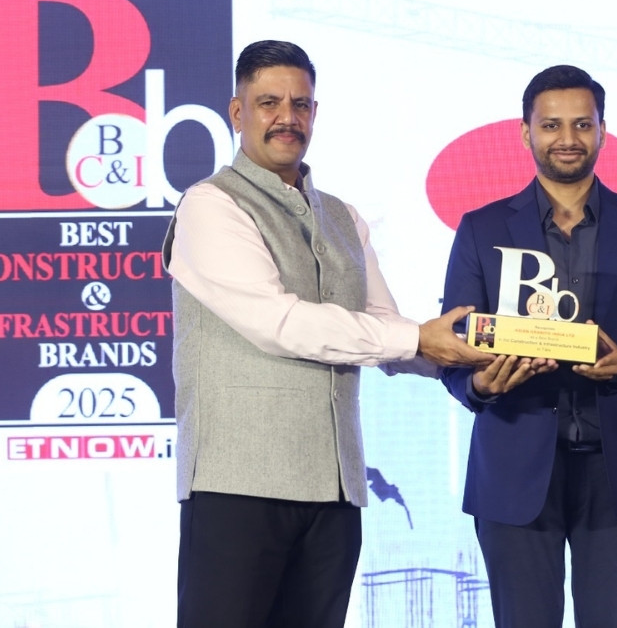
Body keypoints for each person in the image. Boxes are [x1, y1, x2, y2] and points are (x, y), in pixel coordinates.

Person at [162, 39, 492, 628]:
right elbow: (281, 324)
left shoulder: (342, 215)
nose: (287, 117)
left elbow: (386, 328)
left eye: (301, 104)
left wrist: (470, 356)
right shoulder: (210, 205)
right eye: (269, 103)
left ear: (315, 113)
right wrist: (420, 340)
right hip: (237, 487)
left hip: (335, 491)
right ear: (237, 112)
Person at [440, 65, 617, 628]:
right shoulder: (482, 229)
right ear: (525, 133)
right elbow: (454, 343)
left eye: (582, 124)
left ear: (603, 131)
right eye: (551, 125)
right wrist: (478, 384)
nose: (567, 138)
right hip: (513, 467)